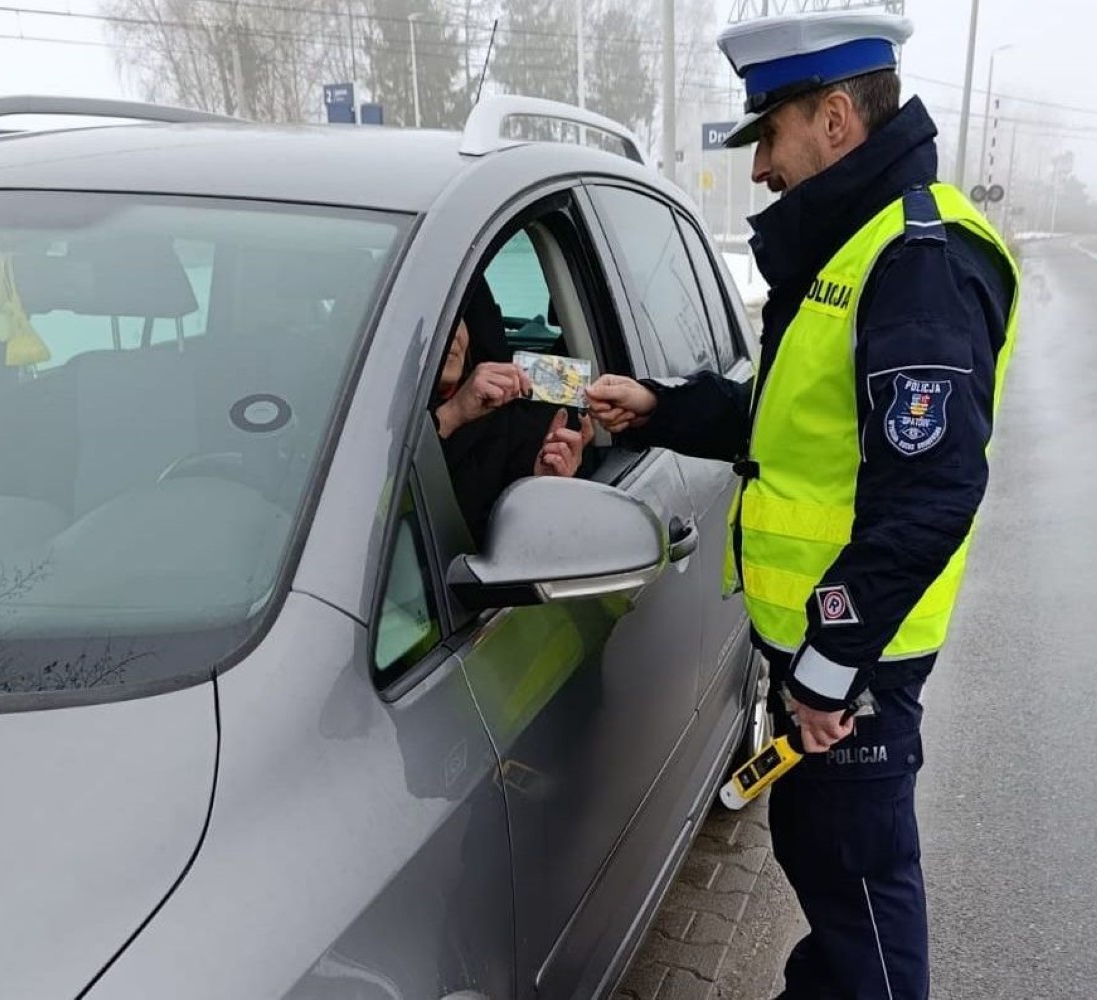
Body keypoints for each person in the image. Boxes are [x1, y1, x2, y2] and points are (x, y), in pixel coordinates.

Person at [585, 11, 1020, 999]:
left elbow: (932, 490)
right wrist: (663, 408)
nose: (758, 170)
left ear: (833, 119)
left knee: (861, 892)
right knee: (825, 861)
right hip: (826, 653)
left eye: (767, 137)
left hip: (856, 659)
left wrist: (827, 671)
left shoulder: (917, 258)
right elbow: (795, 426)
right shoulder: (852, 244)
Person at [431, 280, 593, 545]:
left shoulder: (516, 416)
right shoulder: (369, 416)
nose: (453, 335)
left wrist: (543, 486)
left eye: (458, 319)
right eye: (437, 321)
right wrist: (453, 414)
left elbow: (515, 545)